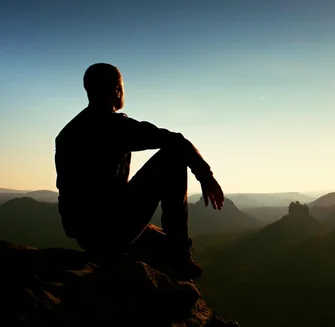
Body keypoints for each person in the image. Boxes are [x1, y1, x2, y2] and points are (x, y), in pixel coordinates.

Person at [55, 63, 224, 282]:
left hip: (87, 235)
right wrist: (207, 179)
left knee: (158, 238)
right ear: (117, 90)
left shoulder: (68, 133)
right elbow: (177, 142)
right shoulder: (114, 126)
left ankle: (167, 252)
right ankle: (179, 257)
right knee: (172, 157)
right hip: (110, 232)